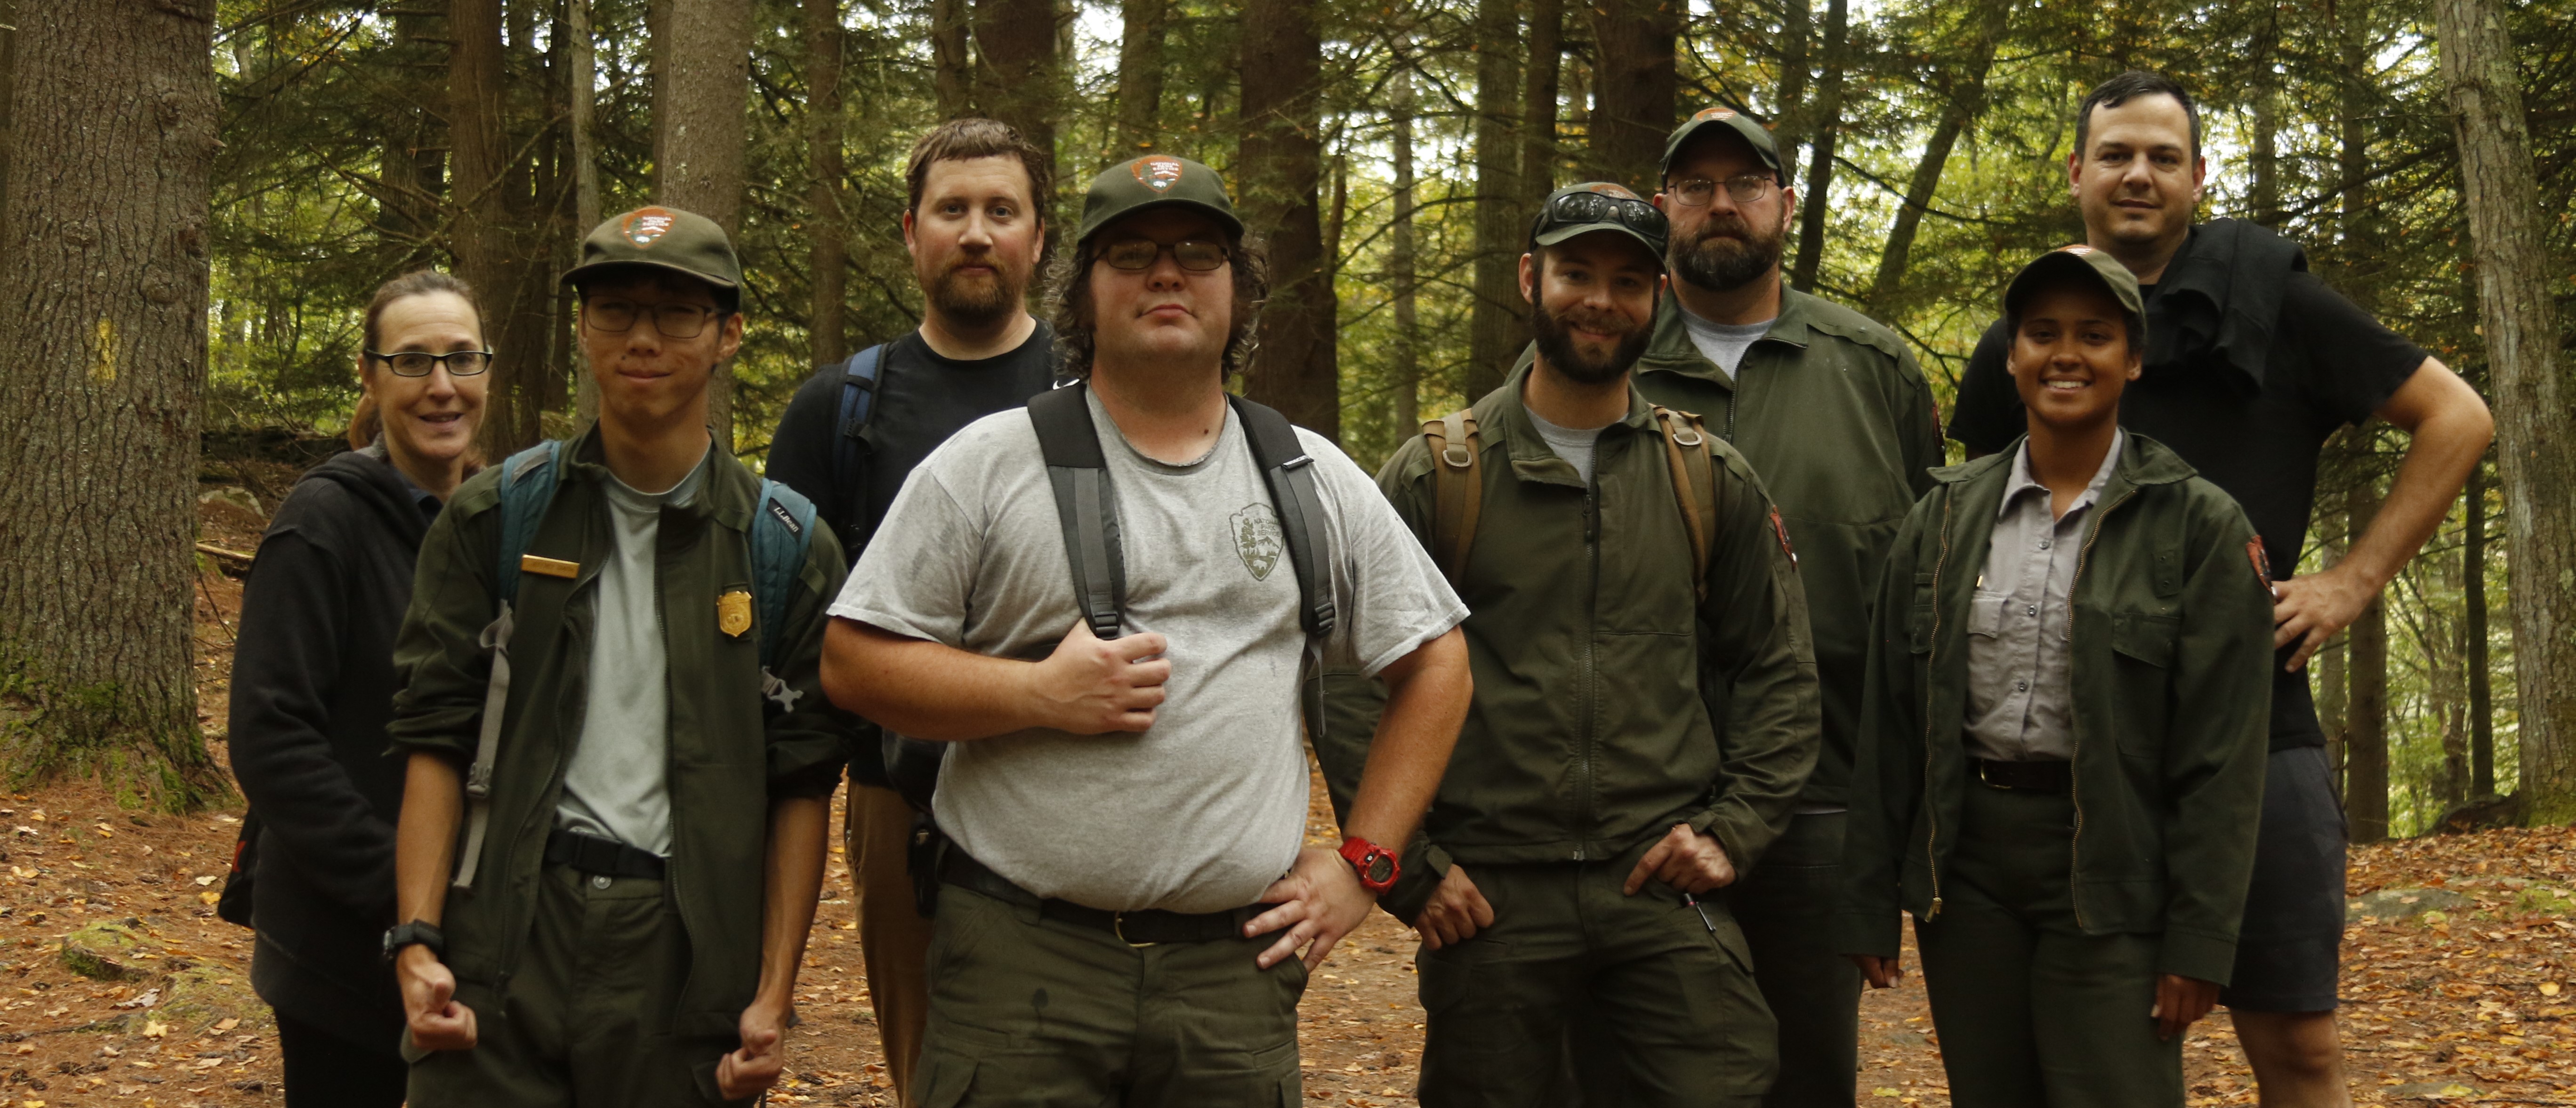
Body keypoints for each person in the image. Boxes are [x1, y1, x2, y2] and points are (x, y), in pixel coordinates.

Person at [819, 153, 1473, 1105]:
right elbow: (852, 661)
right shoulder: (988, 465)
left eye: (1197, 253)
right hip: (1018, 966)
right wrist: (1035, 692)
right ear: (1084, 292)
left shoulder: (1310, 477)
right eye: (1131, 253)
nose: (1166, 274)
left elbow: (1437, 659)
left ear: (1237, 293)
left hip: (1232, 979)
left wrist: (1366, 864)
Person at [1943, 72, 2494, 1107]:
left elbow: (2457, 416)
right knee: (2079, 1054)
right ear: (2077, 175)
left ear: (2199, 177)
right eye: (2115, 156)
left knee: (2295, 1046)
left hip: (2256, 723)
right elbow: (1978, 511)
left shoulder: (2276, 303)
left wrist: (2347, 582)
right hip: (2073, 753)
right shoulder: (2030, 335)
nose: (2138, 176)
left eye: (2162, 157)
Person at [1350, 182, 1820, 1107]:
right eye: (1576, 273)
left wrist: (1732, 830)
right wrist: (1404, 866)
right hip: (1489, 893)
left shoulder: (1704, 478)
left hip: (1656, 881)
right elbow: (1348, 681)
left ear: (1660, 297)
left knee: (1727, 1080)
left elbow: (1780, 671)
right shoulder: (1440, 474)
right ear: (1533, 278)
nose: (1600, 300)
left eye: (1627, 280)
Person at [384, 207, 850, 1106]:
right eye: (615, 309)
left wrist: (771, 992)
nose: (643, 337)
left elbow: (802, 782)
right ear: (584, 329)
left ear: (728, 336)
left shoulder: (784, 546)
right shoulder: (495, 518)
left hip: (681, 965)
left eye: (677, 312)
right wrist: (417, 939)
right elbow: (434, 737)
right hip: (504, 948)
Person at [1840, 245, 2276, 1108]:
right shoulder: (1942, 517)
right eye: (2041, 333)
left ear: (2134, 357)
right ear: (2012, 357)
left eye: (2095, 335)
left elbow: (2223, 756)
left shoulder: (2198, 524)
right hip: (1968, 868)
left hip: (2113, 863)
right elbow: (1890, 720)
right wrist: (1866, 898)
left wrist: (2200, 937)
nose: (2065, 354)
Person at [1622, 106, 1944, 1108]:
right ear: (1663, 207)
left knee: (1807, 1075)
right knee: (1635, 1071)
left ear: (1787, 205)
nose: (1722, 204)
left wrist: (1906, 815)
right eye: (1695, 186)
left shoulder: (1874, 370)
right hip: (1639, 796)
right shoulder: (1602, 359)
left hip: (1821, 801)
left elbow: (1924, 598)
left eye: (1747, 184)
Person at [763, 117, 1060, 1106]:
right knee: (933, 1076)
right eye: (953, 210)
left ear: (1039, 238)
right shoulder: (838, 409)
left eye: (1000, 211)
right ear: (911, 232)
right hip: (897, 802)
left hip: (1070, 780)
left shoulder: (1093, 389)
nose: (976, 232)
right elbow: (791, 637)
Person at [228, 270, 490, 1107]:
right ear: (369, 376)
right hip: (340, 947)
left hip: (472, 938)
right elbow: (271, 739)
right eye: (412, 362)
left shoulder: (504, 525)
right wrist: (409, 889)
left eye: (461, 359)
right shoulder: (323, 522)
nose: (441, 386)